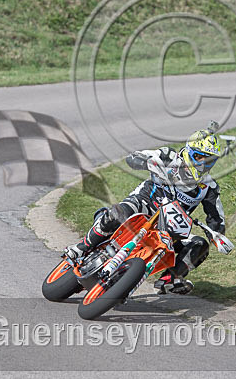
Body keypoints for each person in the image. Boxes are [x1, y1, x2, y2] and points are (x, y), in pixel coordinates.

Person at [64, 124, 227, 295]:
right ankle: (82, 247)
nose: (203, 163)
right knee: (118, 213)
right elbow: (134, 157)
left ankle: (170, 280)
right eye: (199, 157)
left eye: (209, 159)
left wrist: (217, 234)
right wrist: (145, 162)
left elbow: (217, 218)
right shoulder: (168, 156)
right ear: (189, 151)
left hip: (169, 226)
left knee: (200, 244)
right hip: (143, 204)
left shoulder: (209, 187)